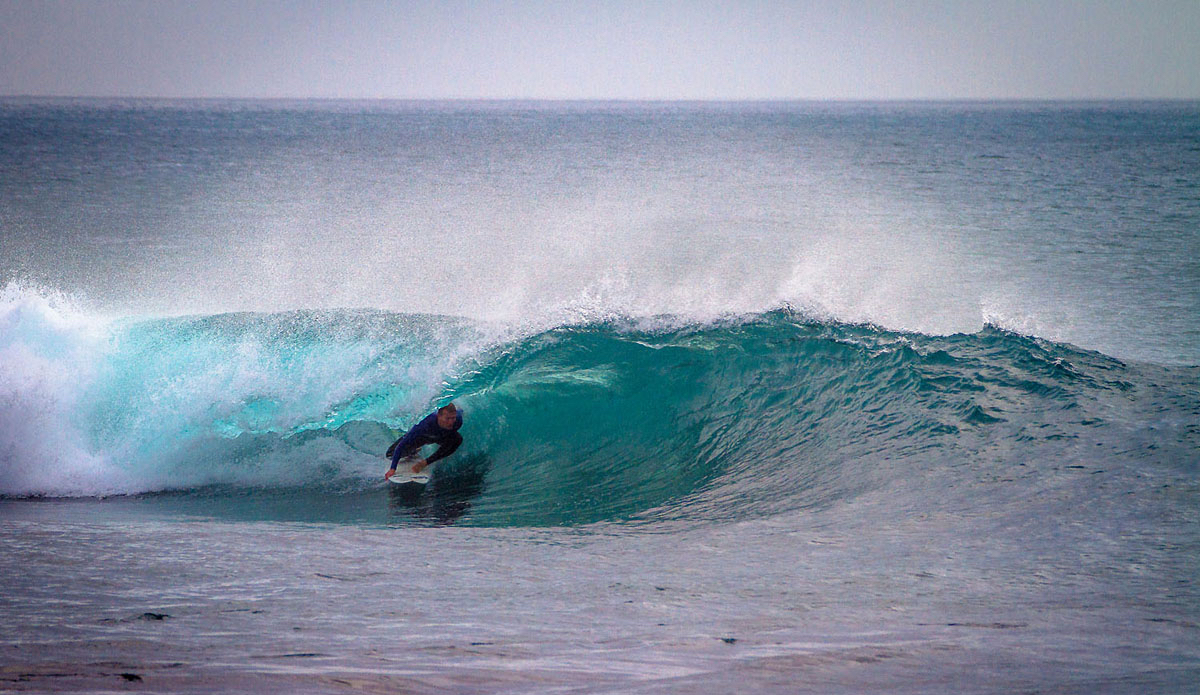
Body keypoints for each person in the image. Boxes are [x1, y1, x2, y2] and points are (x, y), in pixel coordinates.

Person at [384, 403, 463, 480]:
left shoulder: (458, 420)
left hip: (440, 437)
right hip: (421, 439)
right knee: (390, 454)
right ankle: (412, 451)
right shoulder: (424, 424)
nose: (451, 422)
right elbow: (402, 445)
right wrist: (393, 469)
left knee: (457, 440)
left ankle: (425, 463)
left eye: (453, 418)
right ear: (438, 416)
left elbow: (460, 411)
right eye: (447, 418)